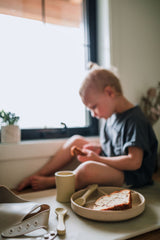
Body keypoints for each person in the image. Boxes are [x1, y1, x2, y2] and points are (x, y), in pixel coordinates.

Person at [17, 63, 158, 191]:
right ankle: (38, 175)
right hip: (114, 165)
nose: (93, 114)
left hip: (132, 176)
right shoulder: (110, 117)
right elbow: (115, 147)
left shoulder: (135, 119)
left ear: (109, 93)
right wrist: (99, 149)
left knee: (87, 170)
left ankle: (53, 181)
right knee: (76, 140)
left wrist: (97, 159)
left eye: (94, 107)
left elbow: (134, 162)